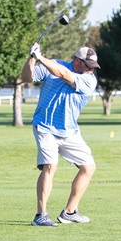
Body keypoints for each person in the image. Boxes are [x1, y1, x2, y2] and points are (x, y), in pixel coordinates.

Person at [21, 43, 100, 227]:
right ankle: (41, 215)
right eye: (88, 65)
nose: (90, 70)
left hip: (70, 131)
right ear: (77, 60)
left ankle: (70, 212)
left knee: (88, 167)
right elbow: (26, 78)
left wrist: (41, 57)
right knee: (50, 166)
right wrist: (31, 59)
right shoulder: (54, 64)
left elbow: (64, 75)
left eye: (93, 67)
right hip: (45, 126)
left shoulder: (89, 80)